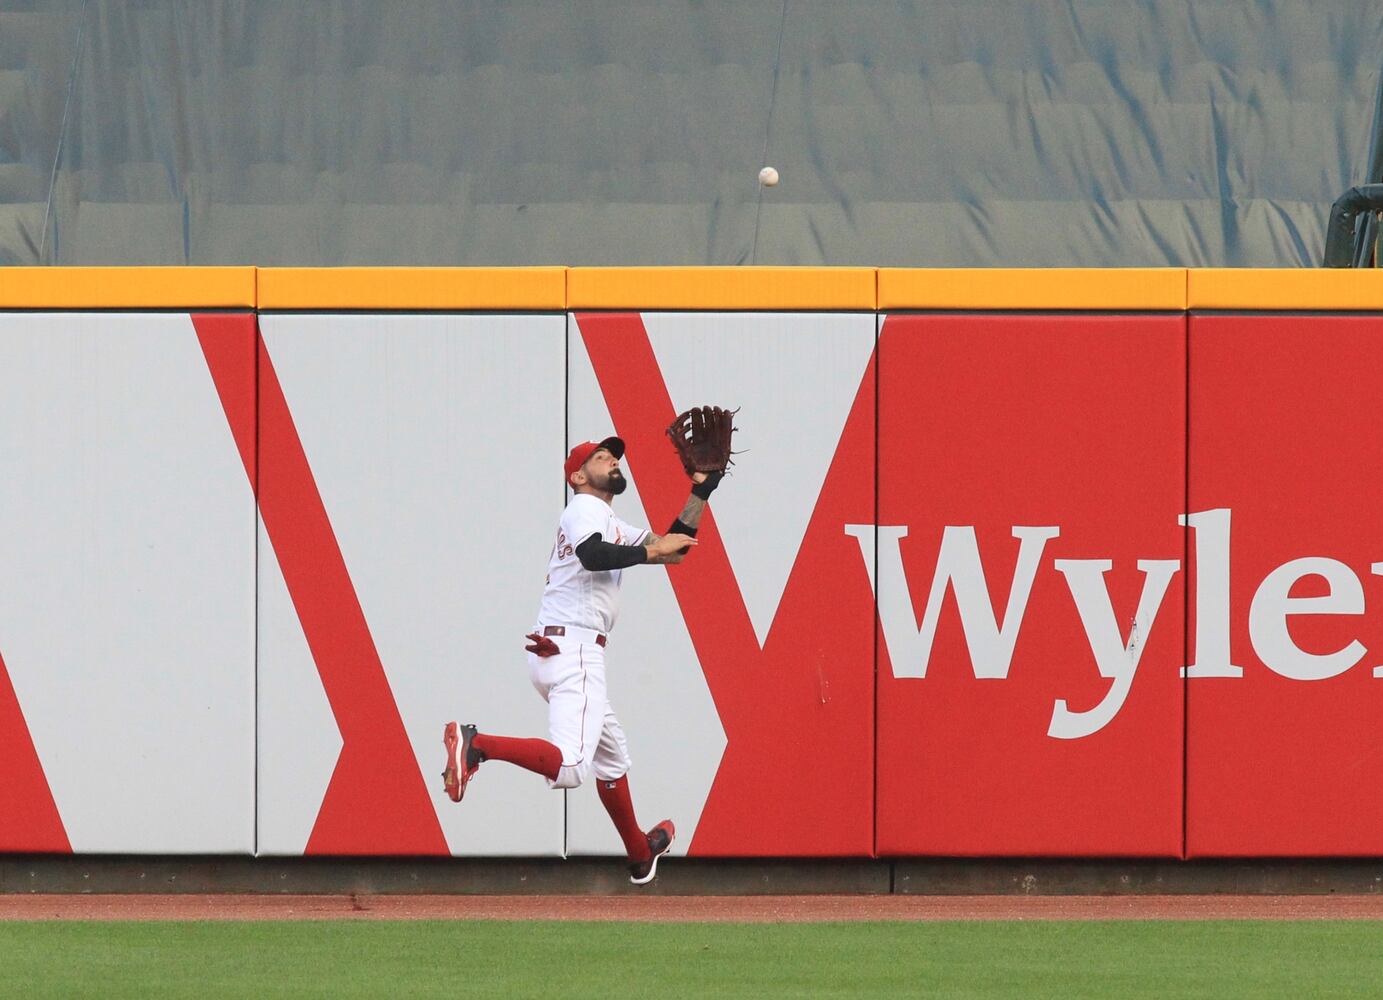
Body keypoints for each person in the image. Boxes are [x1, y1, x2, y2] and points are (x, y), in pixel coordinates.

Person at [442, 435, 721, 884]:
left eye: (613, 456)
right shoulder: (584, 509)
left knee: (612, 759)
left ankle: (638, 852)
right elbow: (594, 557)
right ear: (577, 476)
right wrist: (652, 551)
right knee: (572, 767)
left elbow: (677, 548)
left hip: (561, 649)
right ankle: (477, 745)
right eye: (601, 457)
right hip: (574, 650)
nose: (612, 460)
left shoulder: (607, 519)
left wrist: (701, 491)